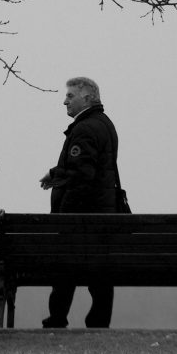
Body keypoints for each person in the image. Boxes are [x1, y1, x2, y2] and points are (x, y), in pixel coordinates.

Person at [38, 76, 120, 328]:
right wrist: (56, 173)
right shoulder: (104, 124)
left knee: (66, 268)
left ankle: (57, 317)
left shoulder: (84, 128)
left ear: (88, 97)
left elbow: (82, 175)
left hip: (82, 218)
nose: (65, 101)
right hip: (103, 212)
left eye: (70, 96)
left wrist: (64, 214)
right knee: (100, 273)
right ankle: (98, 320)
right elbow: (88, 166)